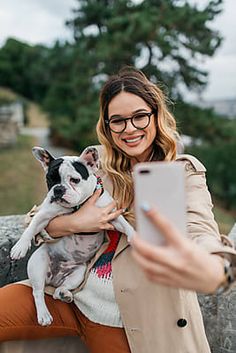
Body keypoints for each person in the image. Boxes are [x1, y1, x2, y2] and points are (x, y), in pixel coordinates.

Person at [1, 67, 236, 353]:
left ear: (156, 115)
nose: (129, 129)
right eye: (118, 121)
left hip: (126, 316)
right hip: (69, 293)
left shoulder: (181, 171)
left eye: (139, 116)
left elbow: (201, 228)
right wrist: (76, 222)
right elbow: (38, 216)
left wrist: (213, 267)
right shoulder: (98, 168)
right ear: (107, 125)